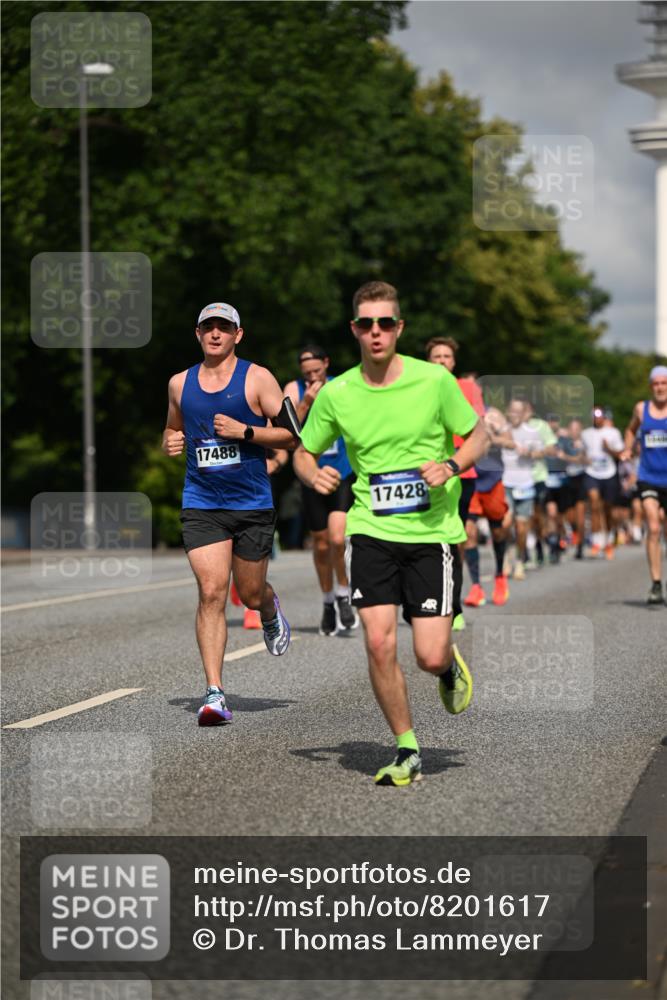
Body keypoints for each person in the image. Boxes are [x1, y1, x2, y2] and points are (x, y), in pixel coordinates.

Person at [294, 281, 488, 787]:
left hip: (432, 533)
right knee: (379, 643)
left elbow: (479, 435)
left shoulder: (433, 381)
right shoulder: (338, 393)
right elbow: (303, 448)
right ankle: (406, 748)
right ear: (354, 330)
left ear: (398, 328)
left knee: (427, 654)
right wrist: (310, 473)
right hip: (371, 530)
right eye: (365, 324)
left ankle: (446, 666)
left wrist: (451, 463)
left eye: (385, 323)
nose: (375, 332)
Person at [162, 302, 294, 726]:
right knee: (212, 592)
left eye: (224, 327)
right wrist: (170, 441)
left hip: (252, 503)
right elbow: (172, 426)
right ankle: (215, 693)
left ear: (239, 334)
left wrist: (246, 432)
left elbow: (292, 435)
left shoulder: (257, 378)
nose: (215, 334)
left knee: (250, 593)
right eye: (208, 327)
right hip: (202, 502)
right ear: (197, 334)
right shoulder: (180, 383)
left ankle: (269, 609)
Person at [284, 345, 358, 635]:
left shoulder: (342, 386)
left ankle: (343, 593)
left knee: (339, 538)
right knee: (322, 542)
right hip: (311, 474)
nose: (312, 377)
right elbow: (287, 432)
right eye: (307, 374)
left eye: (316, 371)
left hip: (342, 472)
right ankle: (328, 600)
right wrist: (306, 403)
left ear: (327, 363)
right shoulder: (294, 389)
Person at [424, 338, 485, 622]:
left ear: (453, 362)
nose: (441, 361)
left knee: (454, 538)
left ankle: (455, 605)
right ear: (428, 361)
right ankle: (425, 599)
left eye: (446, 356)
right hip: (425, 473)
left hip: (461, 472)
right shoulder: (419, 387)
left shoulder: (468, 388)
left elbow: (478, 427)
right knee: (427, 540)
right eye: (436, 356)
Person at [622, 364, 667, 604]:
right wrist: (628, 448)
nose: (660, 388)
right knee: (654, 525)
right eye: (656, 383)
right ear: (651, 386)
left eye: (664, 383)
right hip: (648, 476)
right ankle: (656, 584)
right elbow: (630, 430)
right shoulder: (642, 409)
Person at [492, 400, 544, 581]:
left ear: (524, 414)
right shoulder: (503, 429)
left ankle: (520, 561)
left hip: (526, 484)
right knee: (505, 524)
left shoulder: (532, 432)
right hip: (506, 483)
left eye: (518, 412)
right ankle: (505, 556)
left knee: (521, 528)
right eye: (512, 411)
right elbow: (488, 440)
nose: (515, 414)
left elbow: (541, 453)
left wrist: (529, 453)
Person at [581, 406, 624, 559]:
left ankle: (609, 540)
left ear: (604, 417)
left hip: (609, 474)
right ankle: (596, 541)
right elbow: (583, 452)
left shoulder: (613, 432)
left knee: (607, 509)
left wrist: (609, 448)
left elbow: (621, 454)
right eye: (593, 415)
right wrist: (583, 458)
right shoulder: (585, 434)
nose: (596, 418)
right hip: (592, 473)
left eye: (599, 415)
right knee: (594, 503)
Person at [561, 418, 588, 559]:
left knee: (580, 517)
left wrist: (566, 457)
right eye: (572, 429)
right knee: (570, 517)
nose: (574, 432)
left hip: (581, 479)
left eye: (577, 429)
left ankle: (580, 545)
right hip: (567, 481)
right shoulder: (564, 442)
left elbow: (584, 459)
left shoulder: (584, 443)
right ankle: (576, 536)